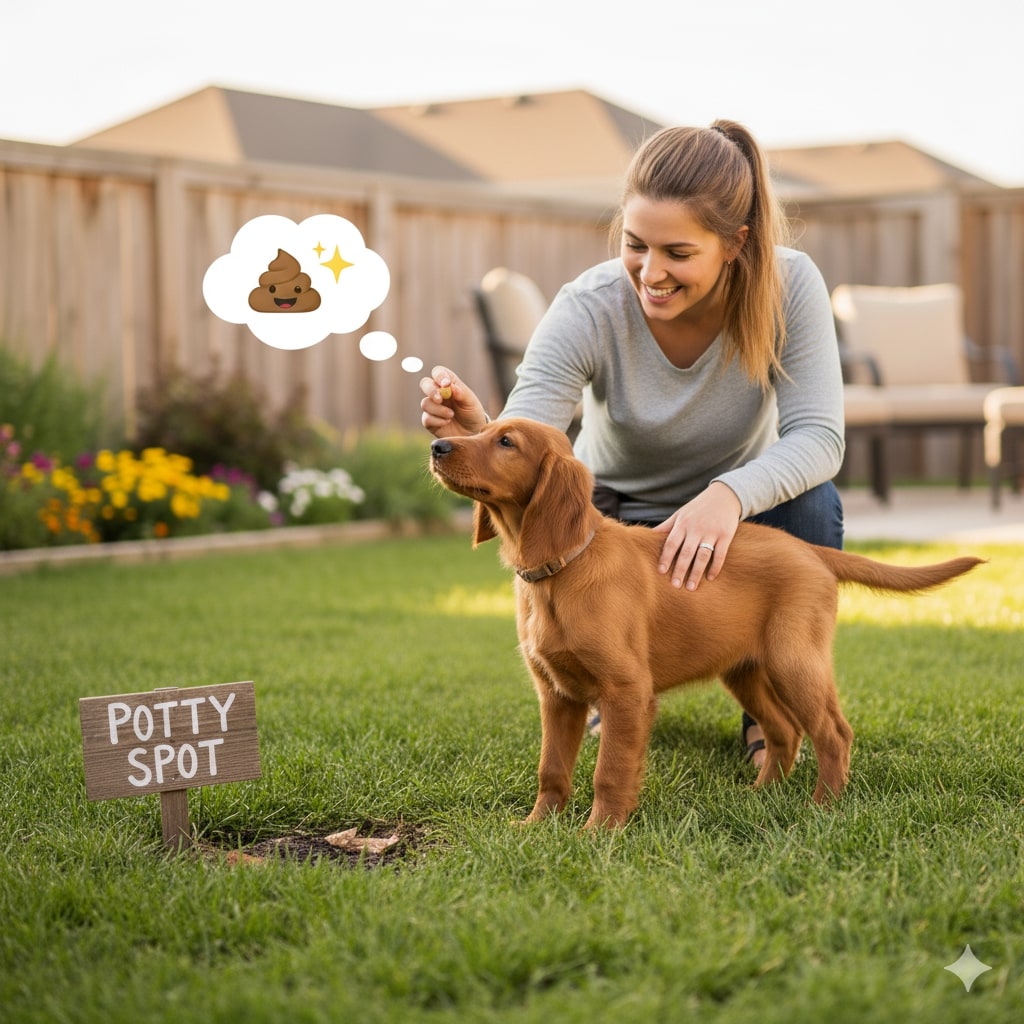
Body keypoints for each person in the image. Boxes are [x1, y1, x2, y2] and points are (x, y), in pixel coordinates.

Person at [419, 120, 845, 768]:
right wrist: (483, 431)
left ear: (736, 242)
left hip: (737, 516)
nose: (651, 273)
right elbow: (536, 423)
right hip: (613, 520)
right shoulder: (589, 305)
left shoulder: (789, 286)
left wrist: (726, 497)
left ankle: (766, 708)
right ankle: (601, 683)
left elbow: (819, 436)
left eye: (678, 253)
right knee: (605, 642)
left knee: (815, 508)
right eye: (635, 243)